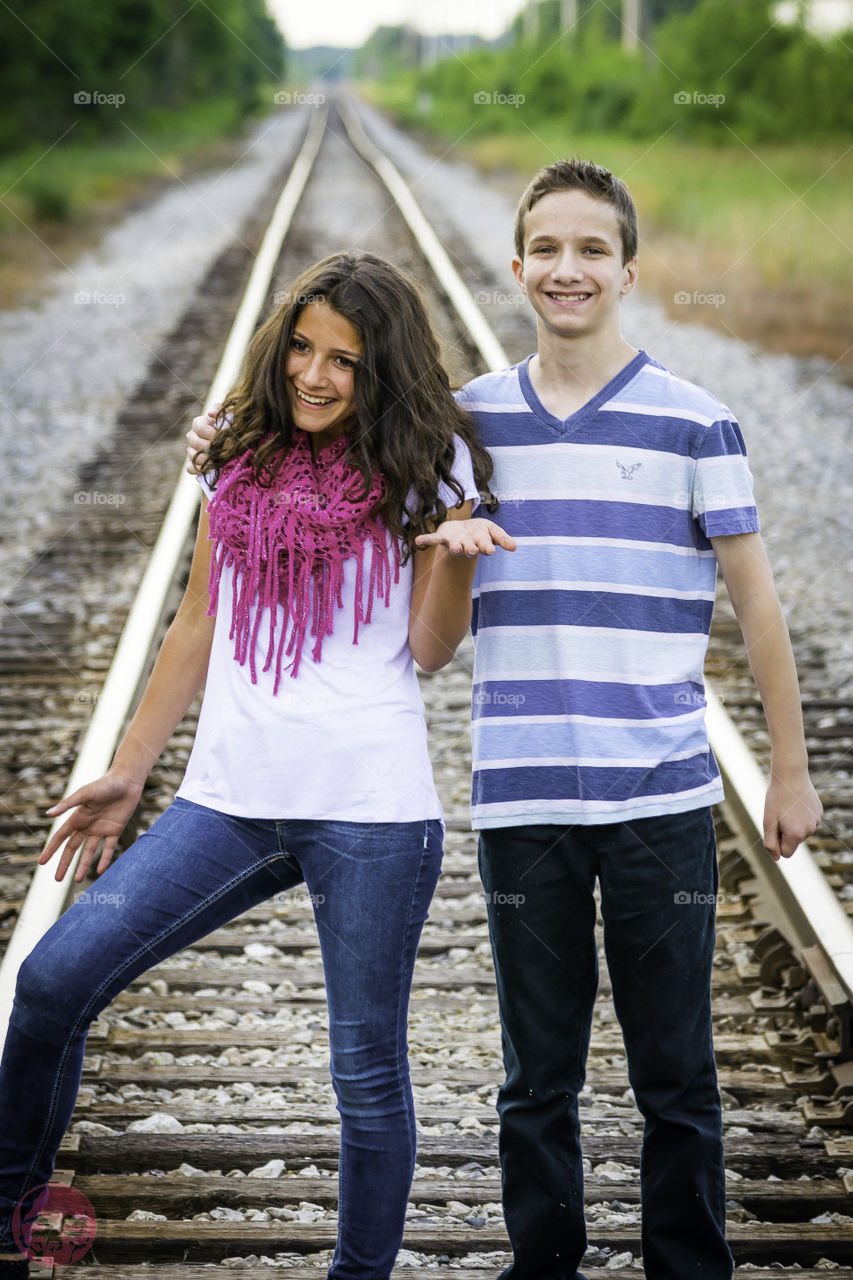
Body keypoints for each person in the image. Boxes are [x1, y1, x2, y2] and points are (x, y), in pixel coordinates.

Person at [186, 163, 822, 1279]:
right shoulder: (465, 424)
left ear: (628, 269)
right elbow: (318, 443)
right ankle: (543, 1265)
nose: (567, 269)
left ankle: (691, 1267)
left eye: (591, 250)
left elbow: (757, 603)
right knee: (537, 1075)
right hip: (520, 795)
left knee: (677, 1072)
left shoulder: (695, 422)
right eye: (546, 248)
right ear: (518, 263)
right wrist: (219, 438)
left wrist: (789, 771)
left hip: (659, 795)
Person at [0, 251, 515, 1280]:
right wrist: (132, 768)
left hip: (369, 808)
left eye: (347, 362)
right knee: (52, 980)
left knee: (365, 1069)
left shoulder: (429, 464)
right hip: (227, 799)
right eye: (303, 349)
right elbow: (197, 619)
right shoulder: (232, 452)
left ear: (385, 371)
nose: (316, 376)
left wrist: (451, 556)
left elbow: (426, 650)